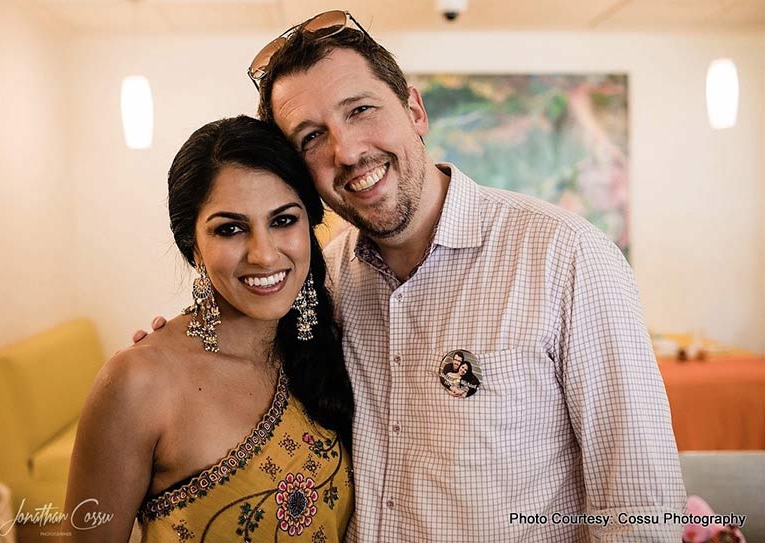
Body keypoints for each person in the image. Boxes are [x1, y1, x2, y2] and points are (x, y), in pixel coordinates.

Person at [140, 10, 686, 541]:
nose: (347, 150)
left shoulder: (565, 257)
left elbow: (641, 505)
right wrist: (179, 351)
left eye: (360, 110)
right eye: (311, 137)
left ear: (415, 111)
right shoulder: (322, 282)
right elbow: (250, 372)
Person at [66, 116, 354, 542]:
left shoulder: (324, 344)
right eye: (230, 229)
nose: (264, 254)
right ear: (193, 245)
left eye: (283, 221)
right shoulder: (141, 382)